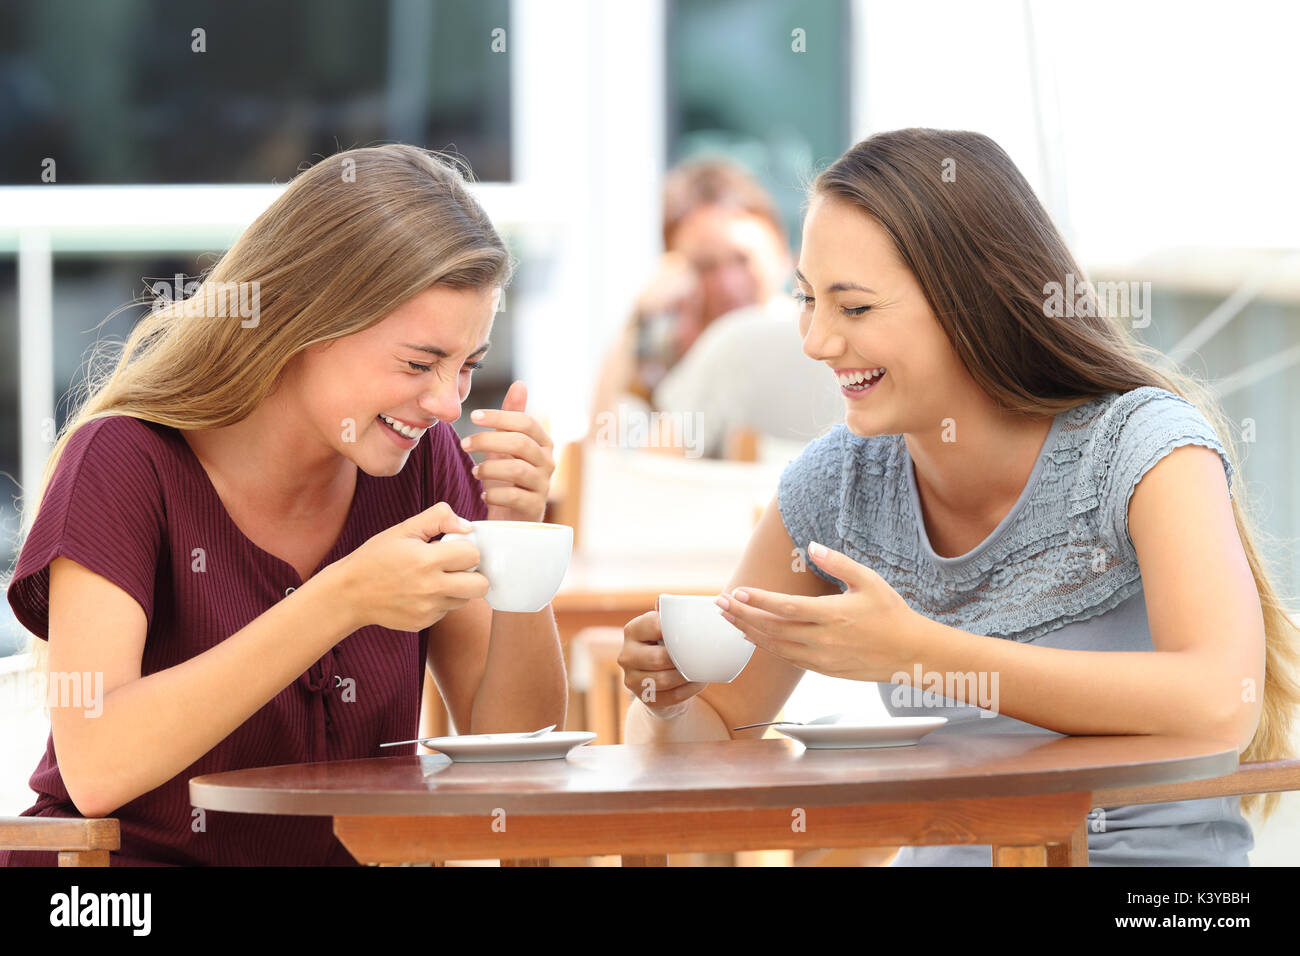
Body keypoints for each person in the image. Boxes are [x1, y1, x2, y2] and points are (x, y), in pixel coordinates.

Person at [619, 127, 1300, 866]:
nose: (815, 341)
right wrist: (670, 701)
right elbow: (711, 737)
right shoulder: (837, 485)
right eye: (807, 301)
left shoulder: (1140, 449)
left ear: (972, 302)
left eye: (854, 309)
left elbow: (1219, 698)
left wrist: (917, 653)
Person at [0, 144, 566, 866]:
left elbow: (512, 758)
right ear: (306, 322)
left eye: (468, 367)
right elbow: (98, 765)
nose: (447, 402)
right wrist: (340, 599)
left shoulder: (422, 465)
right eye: (420, 363)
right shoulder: (126, 460)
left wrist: (521, 543)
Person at [588, 158, 840, 458]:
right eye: (705, 265)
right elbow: (600, 448)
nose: (728, 284)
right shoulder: (666, 351)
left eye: (742, 259)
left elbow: (625, 472)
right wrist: (639, 323)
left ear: (782, 255)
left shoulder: (781, 342)